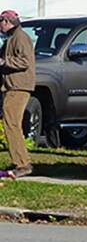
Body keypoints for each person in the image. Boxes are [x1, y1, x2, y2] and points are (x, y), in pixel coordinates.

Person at [0, 10, 36, 178]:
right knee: (11, 124)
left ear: (7, 22)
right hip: (12, 86)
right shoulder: (12, 38)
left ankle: (22, 164)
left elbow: (25, 61)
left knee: (11, 124)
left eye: (0, 22)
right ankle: (21, 161)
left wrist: (3, 61)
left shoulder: (20, 37)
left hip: (18, 87)